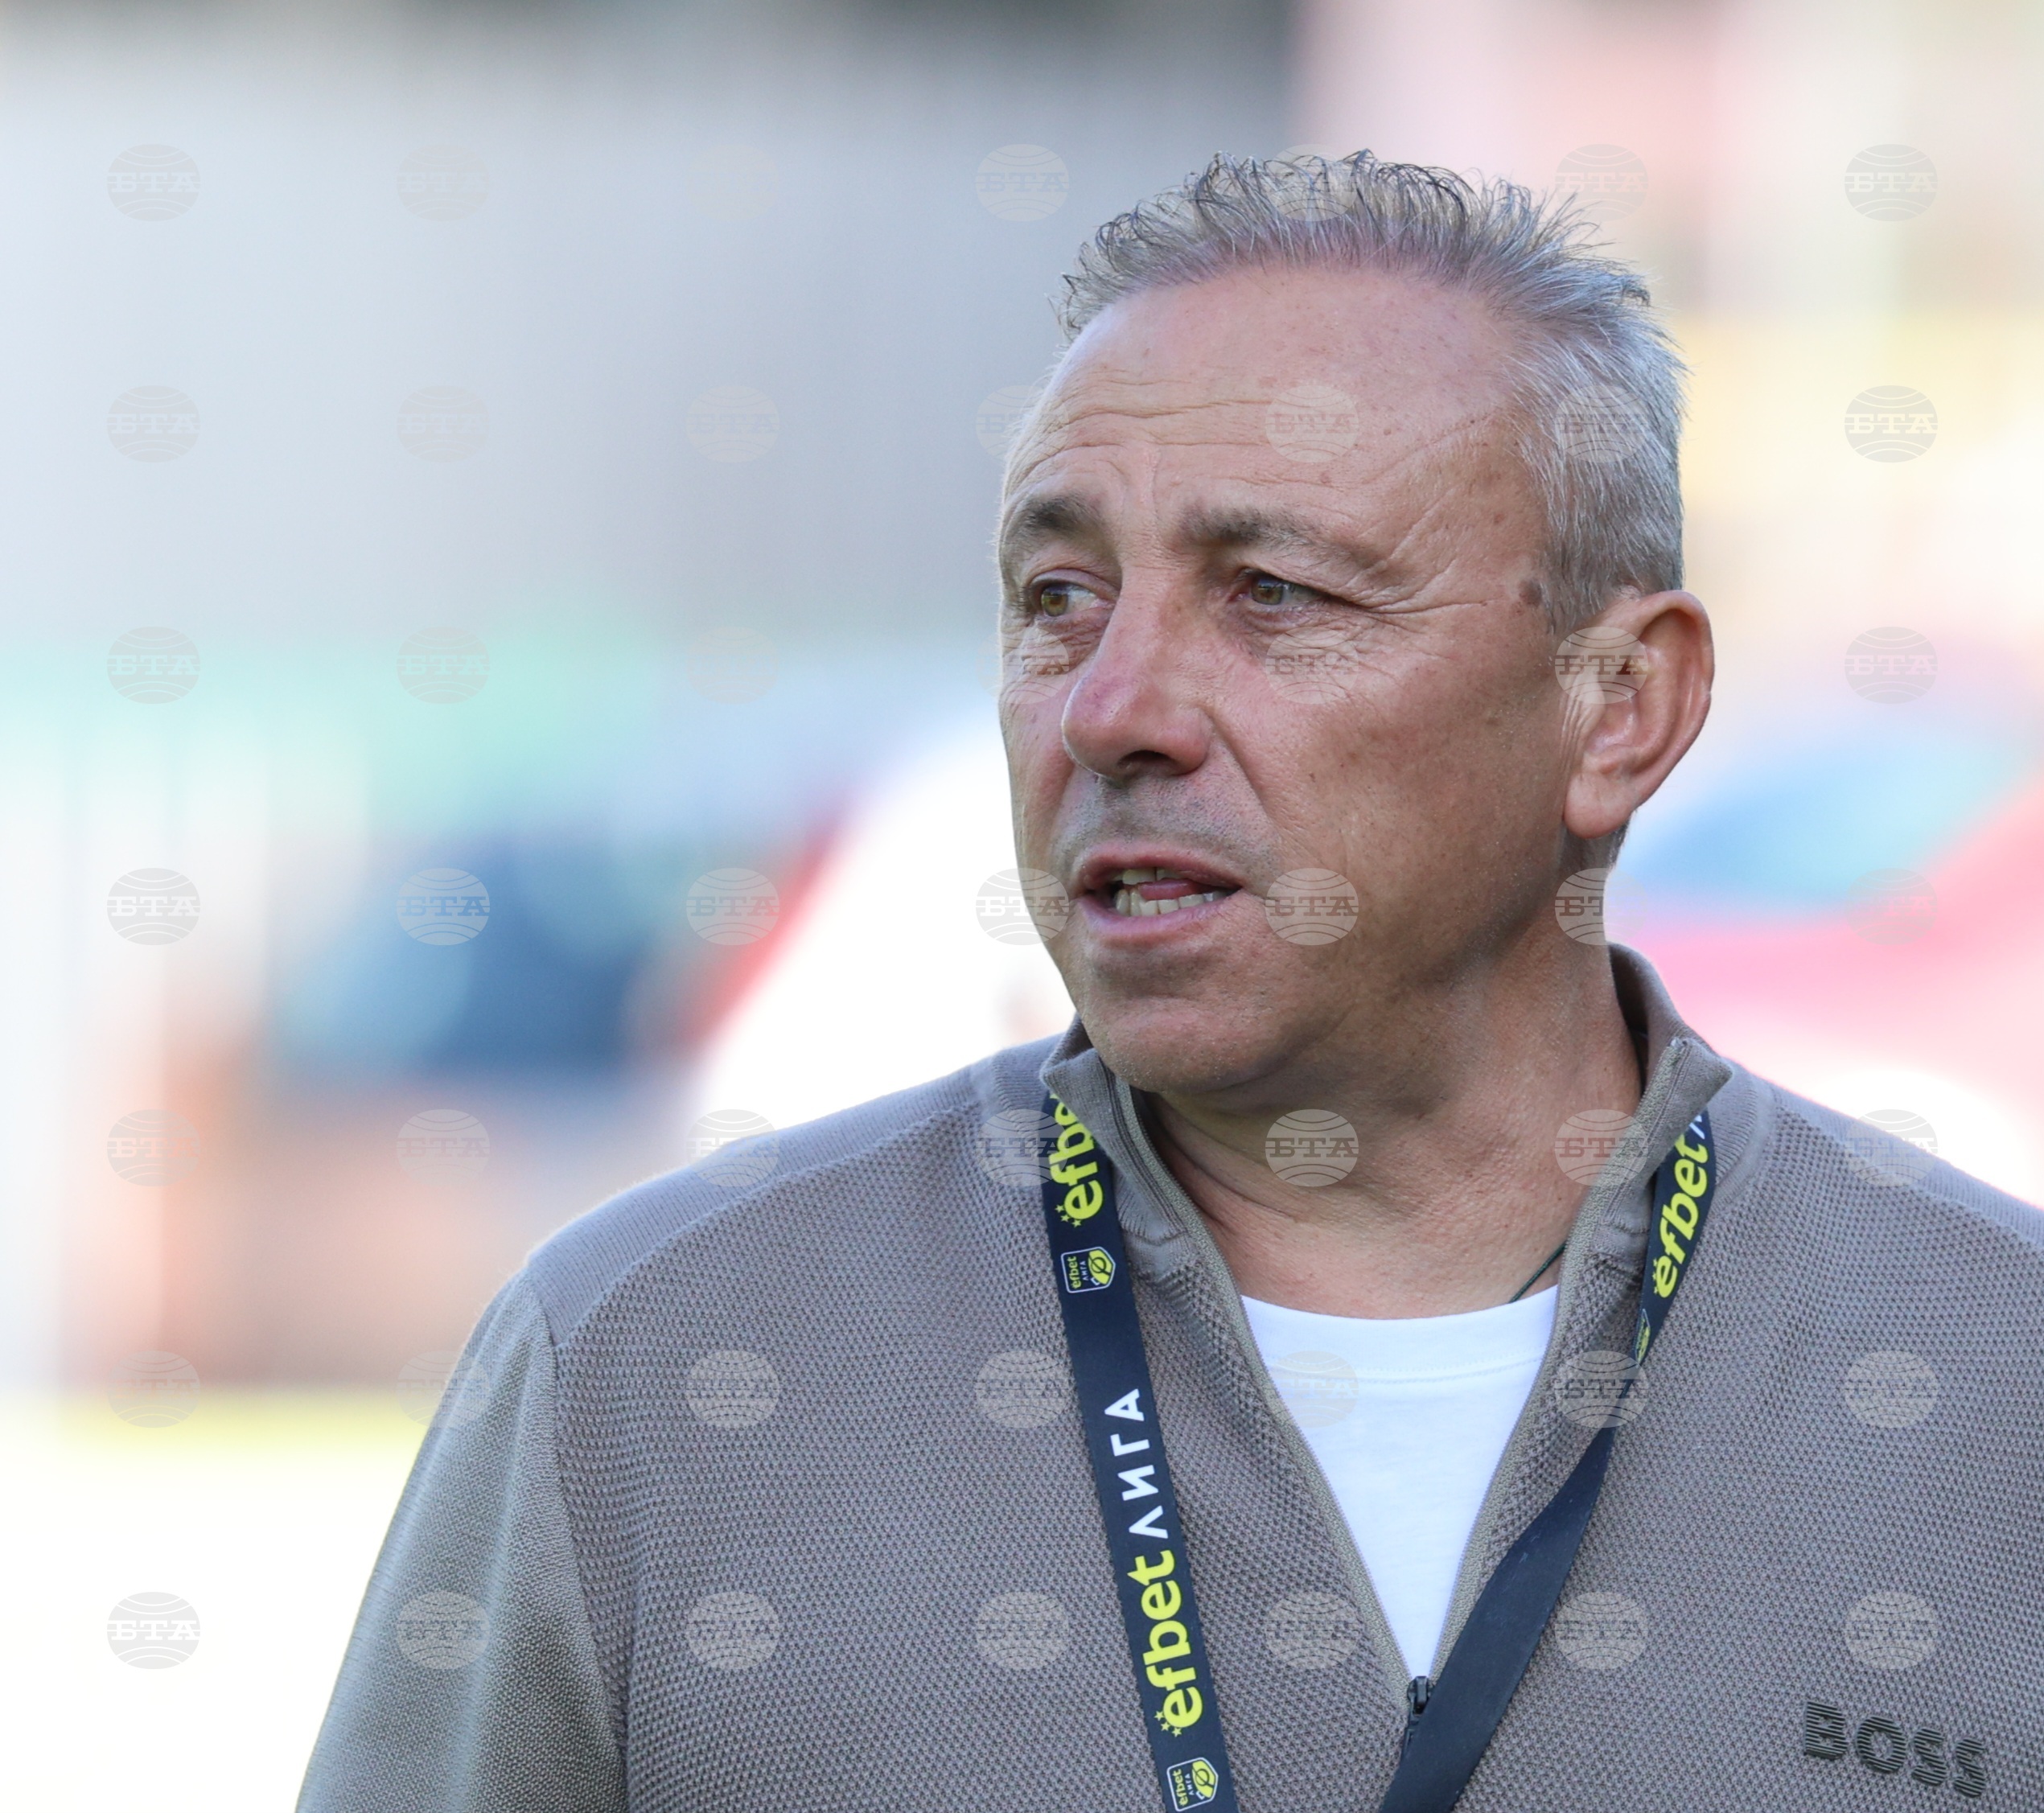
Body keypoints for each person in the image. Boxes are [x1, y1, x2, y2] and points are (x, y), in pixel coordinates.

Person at [298, 154, 2042, 1813]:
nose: (1111, 707)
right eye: (1057, 596)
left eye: (1272, 593)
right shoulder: (657, 1364)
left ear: (1618, 705)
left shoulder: (1988, 1377)